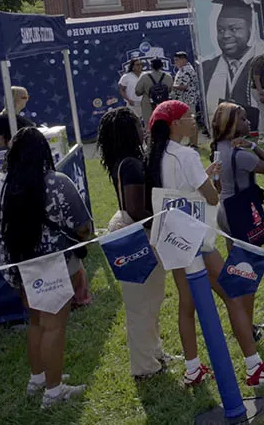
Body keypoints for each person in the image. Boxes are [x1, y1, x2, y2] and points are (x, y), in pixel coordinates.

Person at [144, 101, 264, 387]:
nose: (194, 121)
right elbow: (211, 197)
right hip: (198, 240)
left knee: (187, 304)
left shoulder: (157, 156)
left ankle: (193, 369)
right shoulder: (186, 154)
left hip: (172, 239)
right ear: (174, 123)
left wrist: (204, 177)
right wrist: (211, 182)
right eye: (188, 117)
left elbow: (181, 190)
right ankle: (253, 367)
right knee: (233, 295)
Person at [0, 128, 92, 407]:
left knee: (37, 322)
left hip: (15, 265)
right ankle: (53, 393)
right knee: (53, 327)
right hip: (51, 265)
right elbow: (84, 229)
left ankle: (38, 379)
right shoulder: (58, 183)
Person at [96, 107, 173, 379]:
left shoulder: (125, 160)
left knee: (150, 301)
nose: (144, 128)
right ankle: (144, 367)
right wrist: (167, 220)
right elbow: (137, 208)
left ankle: (155, 353)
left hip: (132, 232)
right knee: (141, 306)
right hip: (136, 234)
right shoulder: (130, 164)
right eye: (139, 125)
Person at [210, 102, 264, 331]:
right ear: (231, 124)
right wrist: (253, 145)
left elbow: (217, 183)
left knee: (238, 269)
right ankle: (247, 327)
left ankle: (244, 323)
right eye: (242, 118)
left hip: (225, 210)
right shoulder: (240, 155)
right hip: (241, 214)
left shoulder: (218, 147)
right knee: (247, 275)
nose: (248, 122)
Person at [201, 0, 264, 127]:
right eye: (221, 30)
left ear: (250, 30)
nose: (226, 35)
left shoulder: (260, 62)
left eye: (234, 29)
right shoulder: (207, 68)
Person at [134, 58, 174, 123]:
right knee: (165, 123)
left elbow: (137, 92)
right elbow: (170, 90)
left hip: (148, 104)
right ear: (162, 66)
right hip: (163, 104)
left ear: (151, 66)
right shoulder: (168, 76)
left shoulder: (144, 76)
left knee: (149, 124)